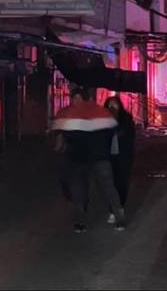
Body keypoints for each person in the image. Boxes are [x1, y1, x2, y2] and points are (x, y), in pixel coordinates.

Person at [52, 87, 125, 234]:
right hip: (94, 157)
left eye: (76, 98)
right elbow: (113, 130)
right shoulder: (101, 114)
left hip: (84, 158)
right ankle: (118, 218)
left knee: (84, 189)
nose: (75, 101)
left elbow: (59, 142)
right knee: (99, 188)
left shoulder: (67, 116)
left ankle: (81, 221)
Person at [104, 96, 135, 225]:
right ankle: (113, 210)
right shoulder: (102, 120)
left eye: (115, 104)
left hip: (123, 157)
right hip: (108, 157)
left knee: (121, 184)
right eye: (110, 104)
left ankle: (119, 208)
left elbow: (130, 138)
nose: (112, 107)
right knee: (110, 184)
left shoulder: (126, 119)